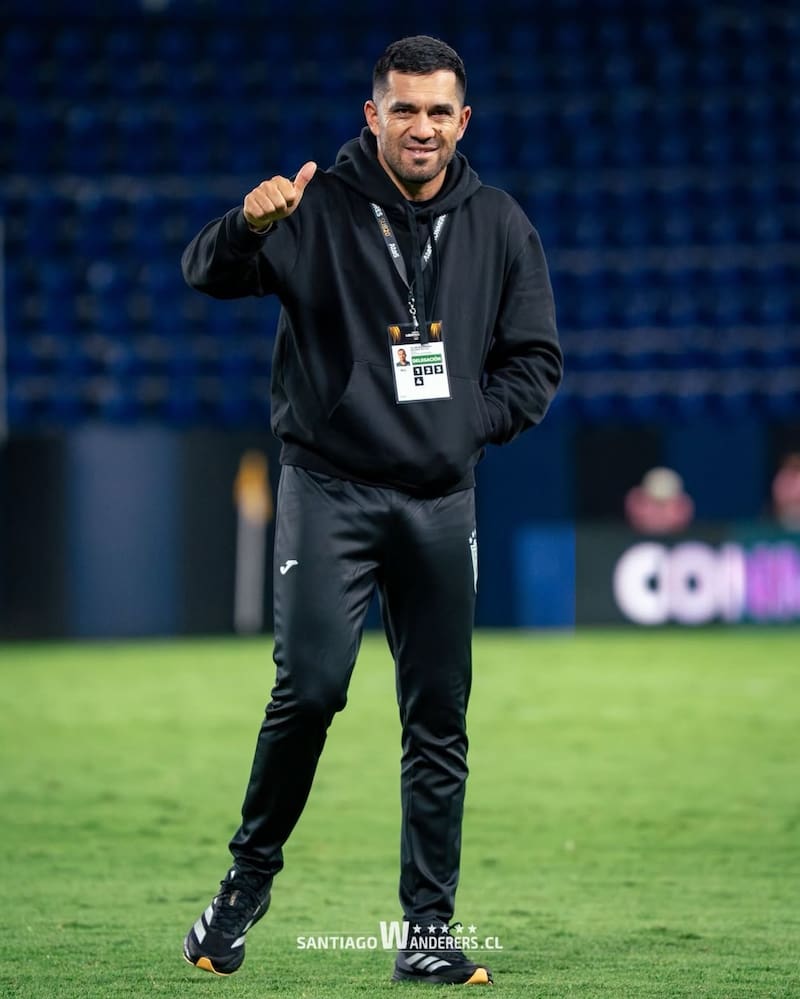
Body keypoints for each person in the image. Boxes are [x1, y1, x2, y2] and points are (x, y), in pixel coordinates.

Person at [180, 35, 562, 986]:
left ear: (462, 121)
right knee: (309, 688)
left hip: (440, 500)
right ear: (373, 115)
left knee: (438, 718)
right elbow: (206, 273)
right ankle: (243, 886)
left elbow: (536, 362)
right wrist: (249, 224)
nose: (422, 127)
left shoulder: (501, 223)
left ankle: (426, 935)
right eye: (405, 109)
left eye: (439, 111)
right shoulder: (314, 213)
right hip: (333, 489)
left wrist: (466, 419)